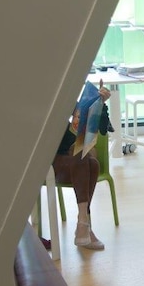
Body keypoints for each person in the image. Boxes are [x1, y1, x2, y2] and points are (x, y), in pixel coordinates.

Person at [52, 81, 112, 250]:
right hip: (49, 162)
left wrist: (100, 103)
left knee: (89, 161)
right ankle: (85, 226)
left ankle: (83, 225)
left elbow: (102, 128)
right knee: (85, 159)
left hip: (73, 161)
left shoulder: (70, 101)